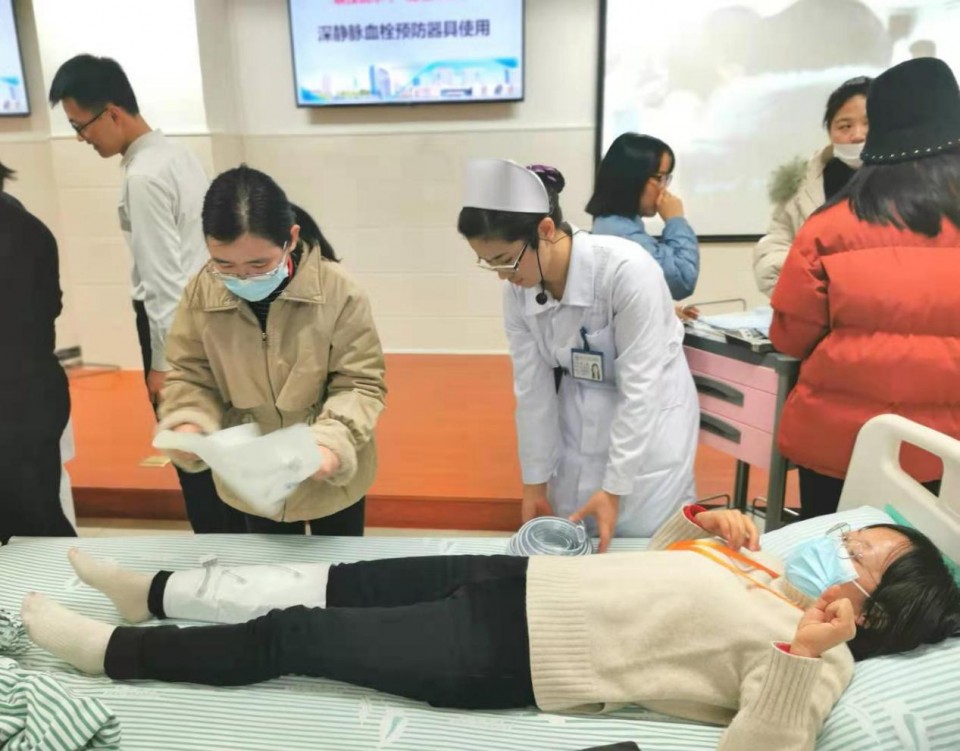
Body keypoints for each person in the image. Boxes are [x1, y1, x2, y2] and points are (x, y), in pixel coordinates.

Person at [21, 506, 960, 751]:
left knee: (295, 632)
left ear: (873, 607)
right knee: (333, 579)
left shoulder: (820, 658)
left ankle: (115, 652)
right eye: (852, 533)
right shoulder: (767, 572)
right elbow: (648, 582)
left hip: (506, 651)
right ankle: (151, 592)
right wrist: (695, 527)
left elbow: (762, 745)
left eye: (861, 552)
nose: (838, 542)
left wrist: (804, 649)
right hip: (520, 580)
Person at [47, 53, 245, 533]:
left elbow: (162, 280)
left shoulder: (143, 177)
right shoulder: (176, 155)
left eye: (80, 126)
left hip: (178, 325)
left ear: (112, 113)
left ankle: (216, 551)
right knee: (220, 445)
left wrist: (163, 363)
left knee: (191, 452)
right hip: (213, 315)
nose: (81, 138)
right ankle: (240, 546)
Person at [458, 160, 699, 550]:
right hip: (582, 405)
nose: (502, 274)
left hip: (652, 418)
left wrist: (615, 487)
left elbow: (641, 388)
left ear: (545, 230)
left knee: (644, 542)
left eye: (505, 259)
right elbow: (532, 392)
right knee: (576, 534)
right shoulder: (518, 291)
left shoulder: (626, 271)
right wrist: (534, 482)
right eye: (489, 263)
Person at [770, 57, 960, 518]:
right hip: (948, 453)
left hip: (841, 447)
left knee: (830, 555)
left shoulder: (828, 225)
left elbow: (789, 337)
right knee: (936, 560)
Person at [153, 165, 386, 535]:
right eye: (224, 264)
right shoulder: (200, 293)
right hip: (254, 479)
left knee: (340, 566)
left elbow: (359, 383)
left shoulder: (339, 291)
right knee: (269, 568)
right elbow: (190, 374)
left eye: (259, 263)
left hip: (329, 473)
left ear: (290, 238)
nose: (243, 277)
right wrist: (189, 421)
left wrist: (329, 443)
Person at [0, 161, 75, 542]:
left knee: (31, 523)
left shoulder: (19, 232)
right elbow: (52, 303)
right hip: (35, 393)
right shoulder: (26, 224)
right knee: (37, 514)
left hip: (17, 405)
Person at [754, 76, 871, 297]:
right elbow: (775, 246)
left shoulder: (916, 183)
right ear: (829, 131)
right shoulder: (802, 184)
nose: (857, 135)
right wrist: (807, 294)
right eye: (845, 126)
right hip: (814, 306)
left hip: (887, 308)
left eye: (869, 123)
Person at [586, 134, 700, 300]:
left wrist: (664, 310)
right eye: (660, 178)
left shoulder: (615, 224)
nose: (664, 188)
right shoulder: (621, 235)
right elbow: (683, 280)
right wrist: (675, 220)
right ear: (633, 178)